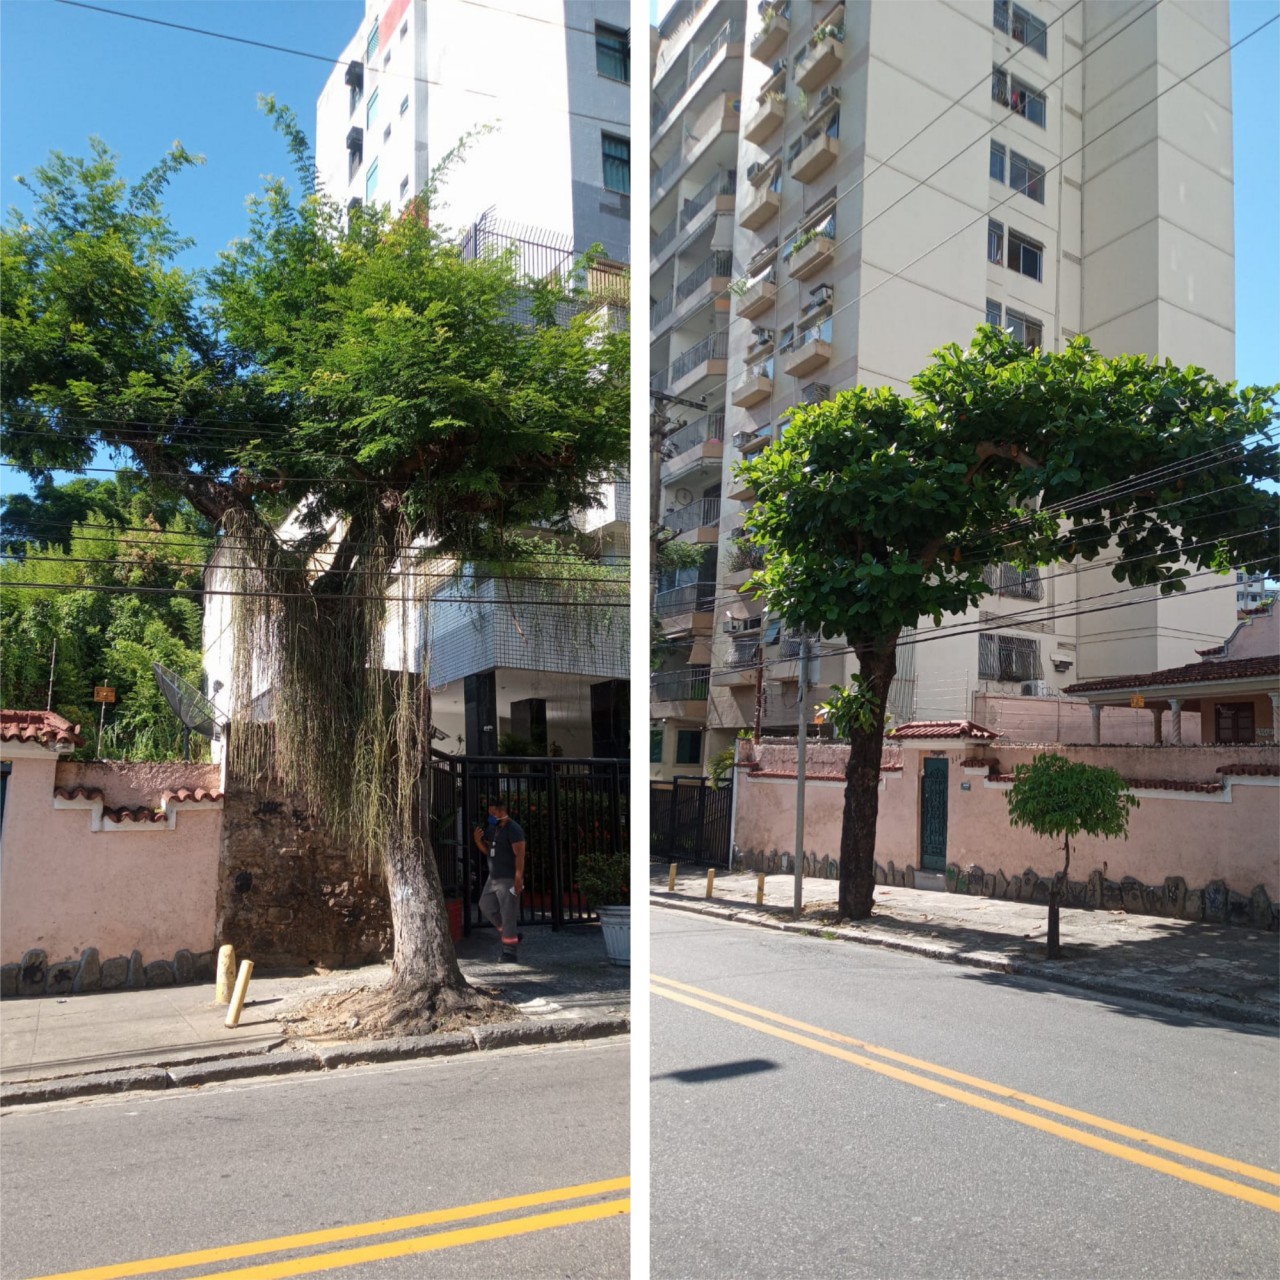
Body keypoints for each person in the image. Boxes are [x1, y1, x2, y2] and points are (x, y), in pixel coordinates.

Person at [472, 799, 526, 963]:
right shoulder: (493, 828)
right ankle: (511, 935)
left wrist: (518, 878)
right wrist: (477, 840)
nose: (491, 816)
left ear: (501, 811)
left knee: (508, 913)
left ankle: (509, 952)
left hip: (508, 878)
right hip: (493, 877)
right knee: (485, 905)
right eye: (490, 813)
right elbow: (489, 851)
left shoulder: (514, 829)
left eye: (493, 813)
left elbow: (520, 855)